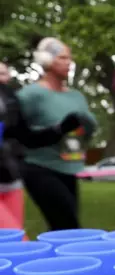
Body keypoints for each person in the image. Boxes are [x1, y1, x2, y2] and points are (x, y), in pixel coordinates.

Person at [17, 38, 98, 231]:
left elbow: (88, 132)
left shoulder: (76, 96)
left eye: (70, 58)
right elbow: (15, 131)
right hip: (39, 167)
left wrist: (88, 124)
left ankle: (58, 260)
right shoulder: (30, 95)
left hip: (69, 167)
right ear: (46, 60)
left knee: (62, 229)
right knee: (68, 226)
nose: (69, 62)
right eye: (63, 58)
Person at [0, 62, 82, 233]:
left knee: (13, 244)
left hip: (11, 181)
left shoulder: (10, 99)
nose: (4, 78)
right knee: (15, 242)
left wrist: (60, 129)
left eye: (5, 73)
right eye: (0, 74)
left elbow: (28, 139)